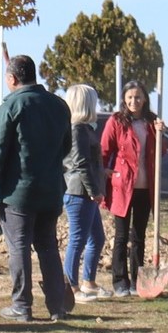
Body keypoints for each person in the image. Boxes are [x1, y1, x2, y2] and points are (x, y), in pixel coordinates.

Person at [0, 55, 73, 323]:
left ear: (11, 79)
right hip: (51, 189)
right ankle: (57, 308)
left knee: (19, 247)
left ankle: (22, 305)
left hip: (18, 192)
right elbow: (66, 146)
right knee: (48, 248)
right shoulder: (59, 105)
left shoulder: (12, 106)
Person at [100, 80, 160, 298]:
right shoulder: (117, 121)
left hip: (145, 187)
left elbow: (161, 151)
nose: (134, 101)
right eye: (130, 98)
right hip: (123, 186)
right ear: (124, 99)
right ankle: (119, 281)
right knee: (121, 235)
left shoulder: (152, 122)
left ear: (144, 99)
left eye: (138, 97)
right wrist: (104, 171)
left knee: (139, 236)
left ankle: (137, 280)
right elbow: (104, 150)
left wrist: (160, 133)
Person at [60, 83, 106, 297]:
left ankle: (89, 281)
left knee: (97, 238)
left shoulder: (85, 128)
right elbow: (80, 163)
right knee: (78, 239)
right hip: (79, 192)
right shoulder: (76, 128)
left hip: (86, 192)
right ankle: (70, 286)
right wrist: (94, 190)